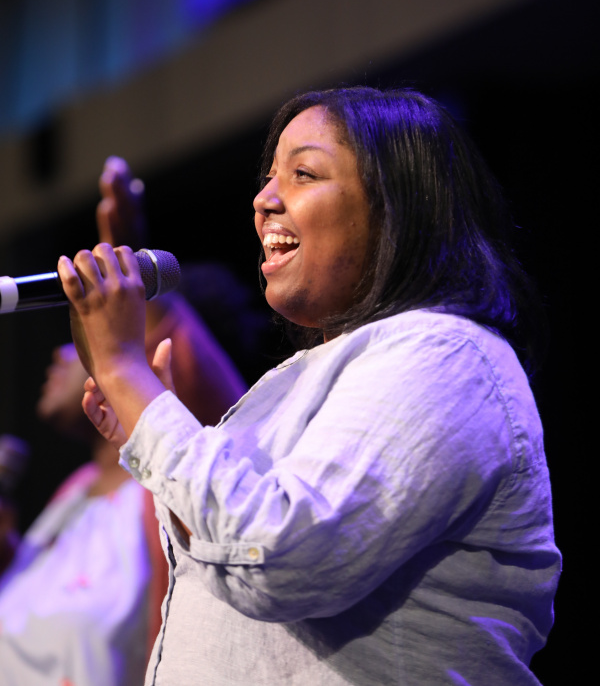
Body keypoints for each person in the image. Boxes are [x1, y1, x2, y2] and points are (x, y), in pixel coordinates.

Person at [57, 87, 561, 685]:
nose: (263, 200)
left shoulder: (446, 356)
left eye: (303, 173)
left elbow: (275, 558)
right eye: (269, 177)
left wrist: (128, 374)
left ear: (396, 207)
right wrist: (147, 423)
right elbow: (233, 552)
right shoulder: (301, 382)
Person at [0, 158, 245, 686]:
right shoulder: (76, 490)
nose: (61, 352)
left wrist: (132, 257)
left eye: (84, 332)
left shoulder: (173, 490)